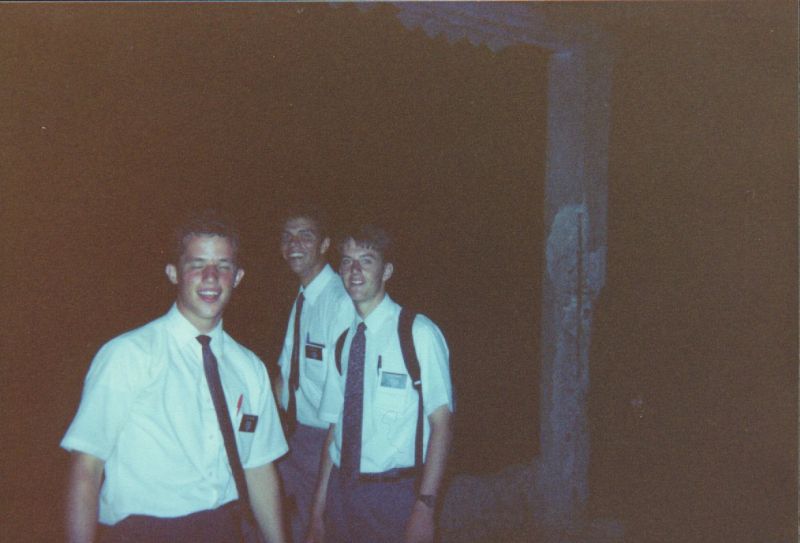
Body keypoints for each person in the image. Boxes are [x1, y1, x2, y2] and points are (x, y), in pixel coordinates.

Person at [61, 213, 288, 543]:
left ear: (237, 277)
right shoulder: (129, 355)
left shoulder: (249, 368)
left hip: (224, 528)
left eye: (223, 266)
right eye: (197, 264)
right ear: (174, 273)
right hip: (143, 531)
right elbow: (86, 467)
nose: (211, 277)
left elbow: (259, 469)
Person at [307, 225, 454, 543]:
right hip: (341, 495)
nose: (354, 270)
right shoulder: (343, 341)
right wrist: (317, 514)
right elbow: (335, 430)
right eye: (347, 261)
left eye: (366, 260)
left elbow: (442, 425)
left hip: (394, 497)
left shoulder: (418, 334)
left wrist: (425, 508)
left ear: (387, 271)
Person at [274, 207, 354, 543]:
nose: (294, 243)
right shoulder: (304, 297)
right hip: (293, 437)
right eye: (287, 236)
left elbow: (346, 404)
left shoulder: (340, 301)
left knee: (315, 529)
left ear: (324, 244)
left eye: (305, 235)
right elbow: (285, 376)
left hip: (326, 444)